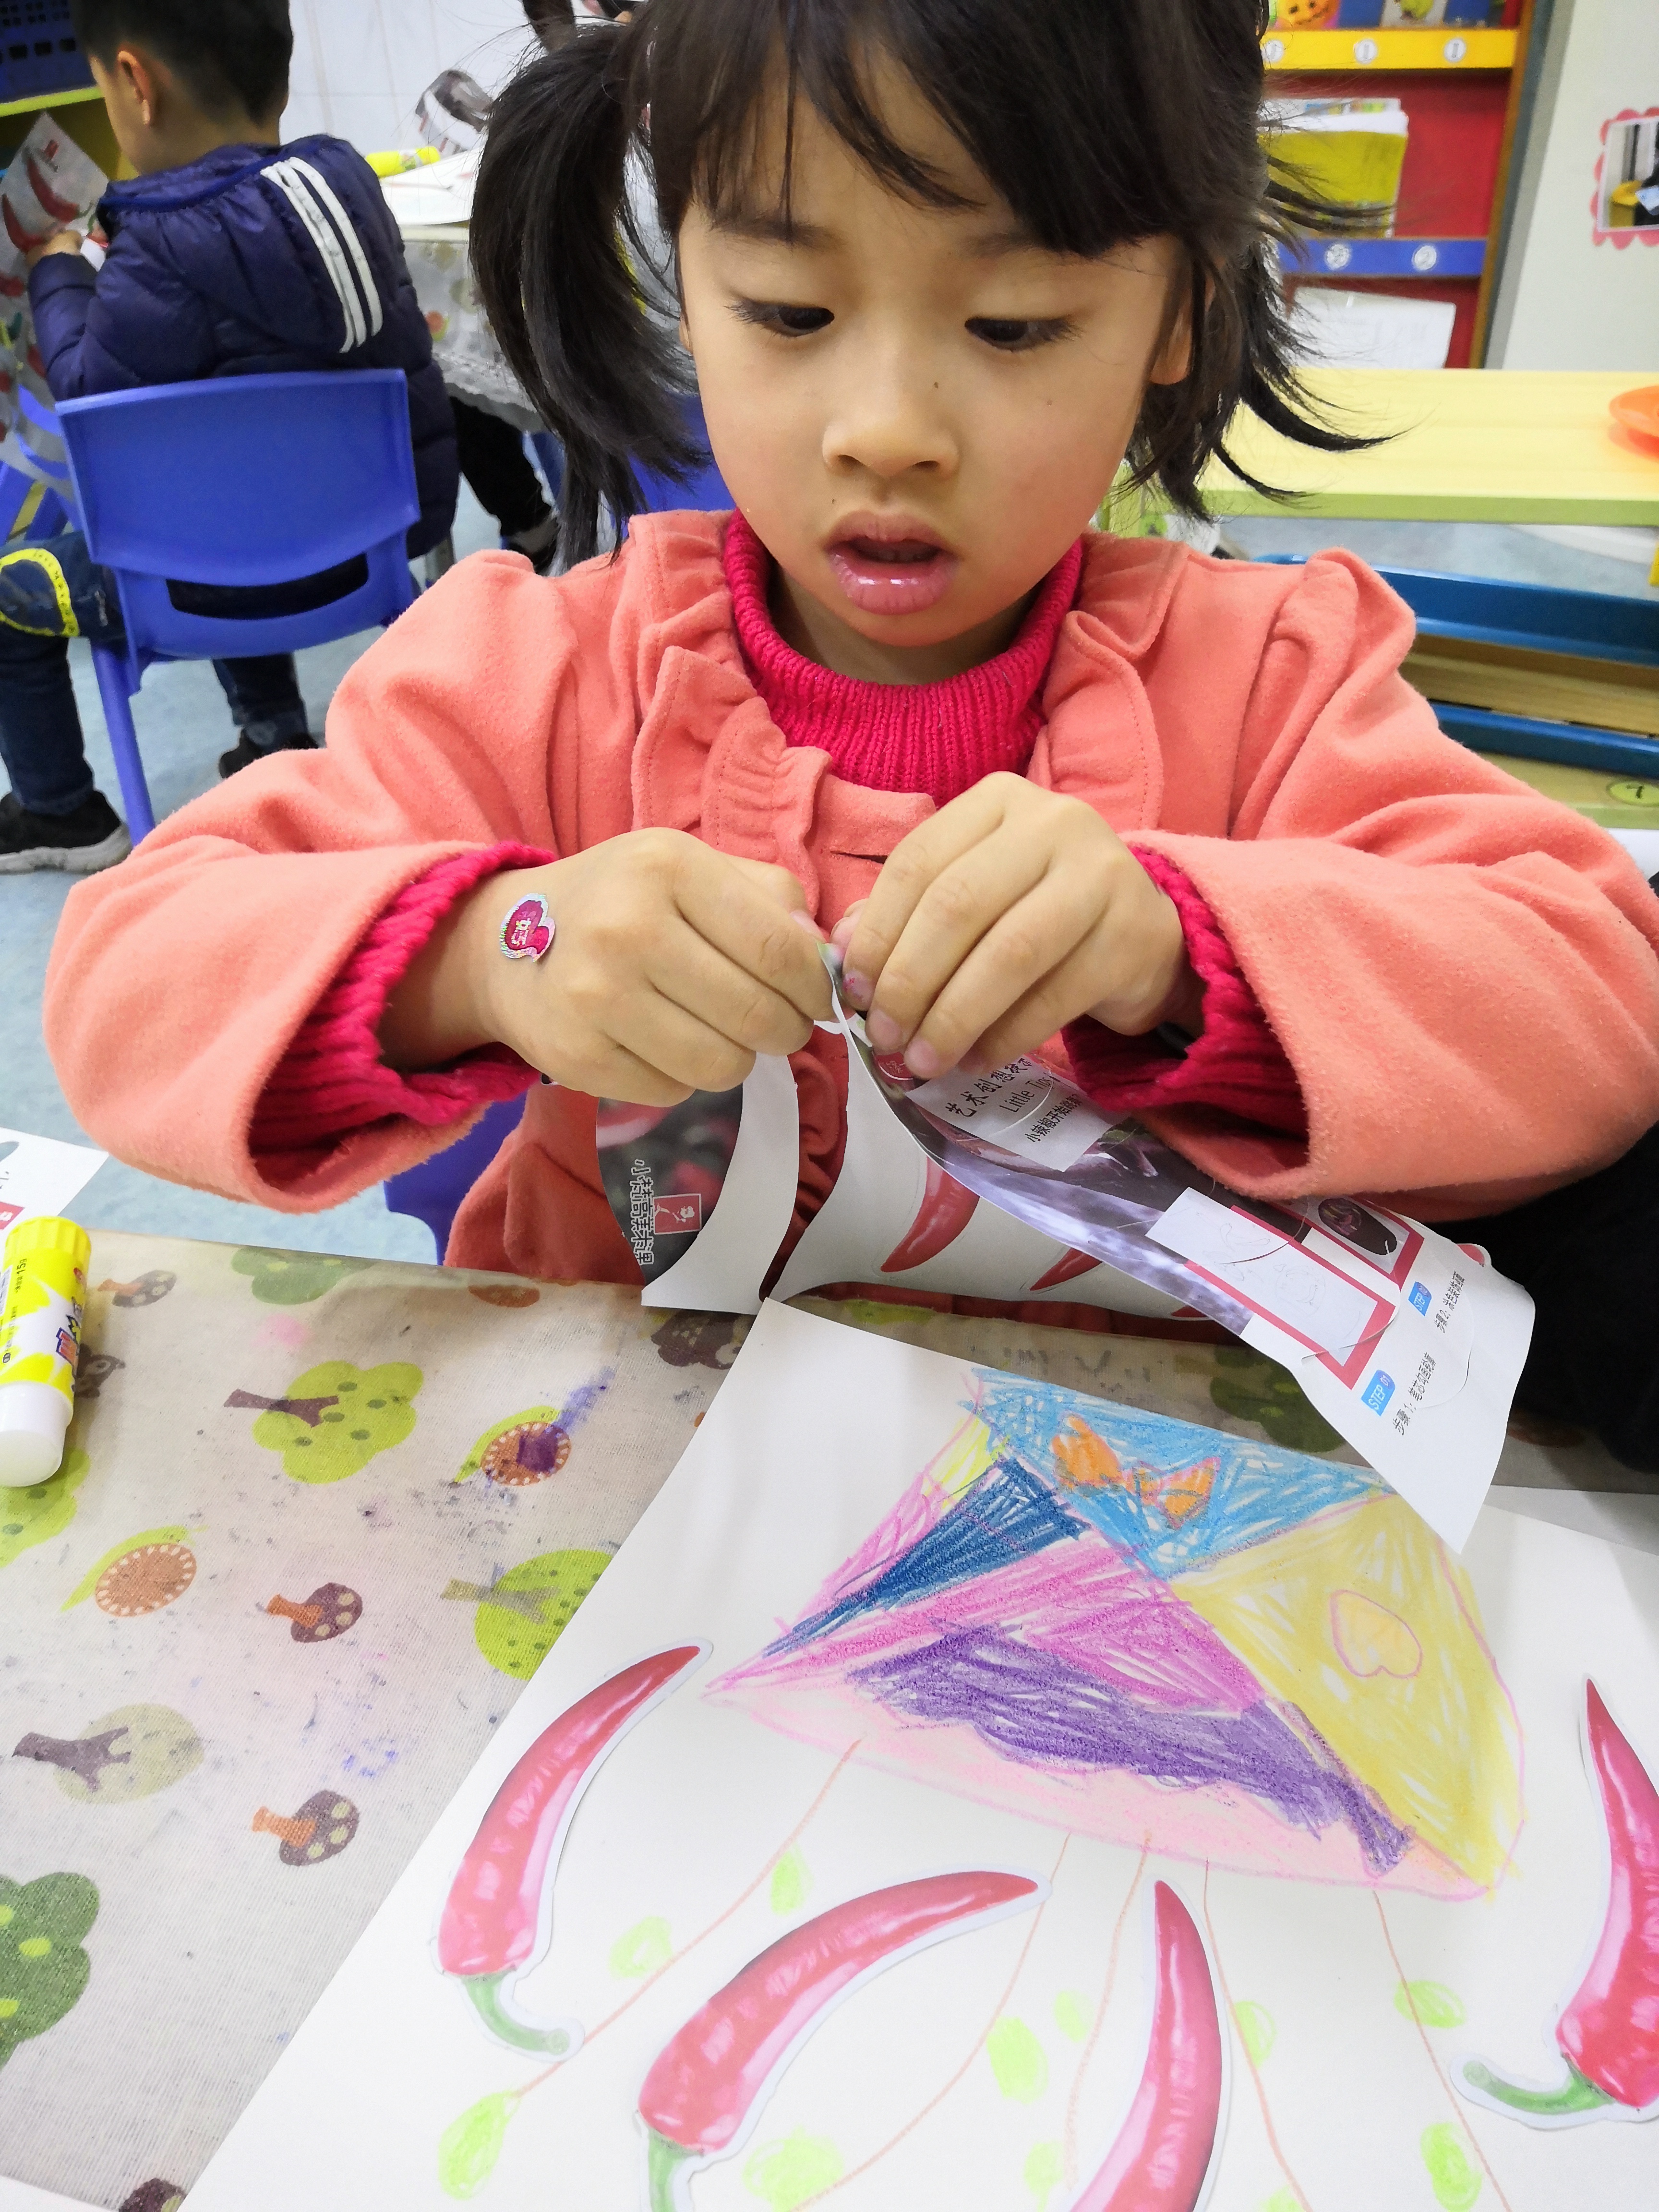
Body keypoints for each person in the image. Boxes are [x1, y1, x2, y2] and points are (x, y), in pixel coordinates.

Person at [45, 0, 1659, 1468]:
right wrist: (492, 949)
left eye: (1013, 324)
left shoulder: (1270, 680)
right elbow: (127, 981)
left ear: (1179, 309)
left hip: (1144, 1511)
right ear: (685, 282)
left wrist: (1180, 952)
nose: (886, 430)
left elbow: (1596, 1000)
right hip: (621, 1496)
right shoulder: (542, 673)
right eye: (790, 309)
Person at [0, 0, 458, 871]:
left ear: (135, 84)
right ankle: (271, 734)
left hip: (200, 583)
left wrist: (58, 274)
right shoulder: (348, 193)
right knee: (237, 482)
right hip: (373, 550)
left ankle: (62, 812)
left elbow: (85, 393)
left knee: (57, 569)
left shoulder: (150, 254)